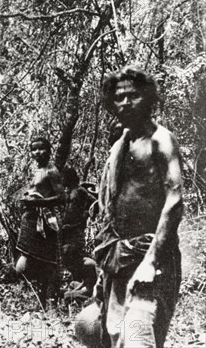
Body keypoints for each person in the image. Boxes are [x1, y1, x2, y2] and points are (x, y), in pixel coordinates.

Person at [75, 66, 183, 348]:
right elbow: (112, 210)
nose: (125, 102)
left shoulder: (160, 140)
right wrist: (103, 272)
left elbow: (174, 201)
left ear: (148, 98)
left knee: (138, 338)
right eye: (119, 97)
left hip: (149, 258)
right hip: (118, 258)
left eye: (133, 96)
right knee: (99, 330)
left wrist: (150, 262)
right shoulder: (120, 146)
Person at [15, 137, 64, 307]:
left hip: (45, 220)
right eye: (34, 149)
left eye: (41, 149)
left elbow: (61, 197)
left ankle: (49, 302)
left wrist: (38, 203)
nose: (37, 152)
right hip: (31, 219)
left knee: (46, 262)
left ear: (49, 150)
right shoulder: (36, 170)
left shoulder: (52, 171)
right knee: (28, 262)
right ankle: (37, 301)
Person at [60, 166, 97, 299]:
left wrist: (85, 216)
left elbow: (95, 203)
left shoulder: (80, 190)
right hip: (67, 231)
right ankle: (80, 284)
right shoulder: (69, 192)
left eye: (63, 177)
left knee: (72, 254)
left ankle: (88, 285)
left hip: (76, 231)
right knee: (66, 256)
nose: (61, 180)